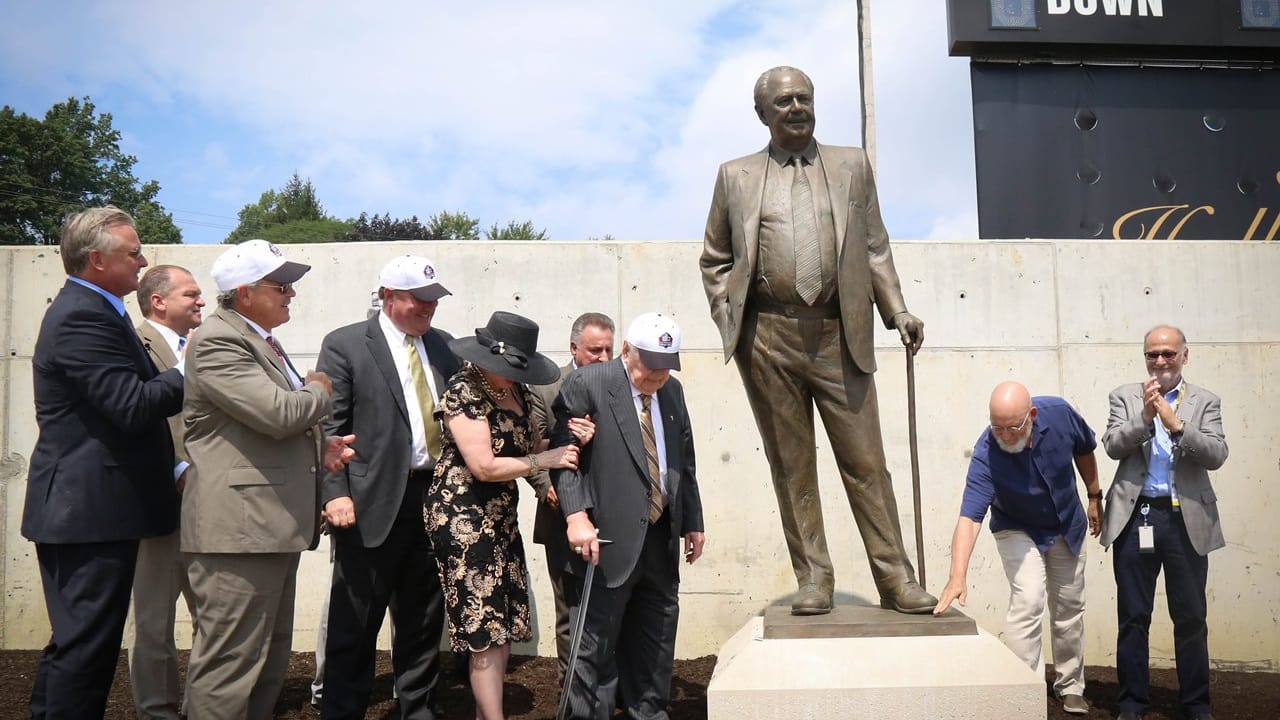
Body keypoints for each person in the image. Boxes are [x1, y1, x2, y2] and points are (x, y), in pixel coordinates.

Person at [700, 65, 932, 615]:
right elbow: (715, 259)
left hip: (839, 334)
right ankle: (814, 579)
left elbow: (875, 247)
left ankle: (897, 580)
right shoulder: (735, 175)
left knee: (867, 463)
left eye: (804, 98)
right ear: (762, 113)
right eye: (783, 102)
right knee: (792, 465)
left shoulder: (851, 165)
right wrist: (730, 319)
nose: (797, 107)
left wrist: (896, 311)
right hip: (769, 338)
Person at [180, 239, 355, 720]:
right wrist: (319, 387)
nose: (291, 294)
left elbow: (255, 430)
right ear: (244, 292)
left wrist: (322, 447)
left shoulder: (257, 341)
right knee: (230, 667)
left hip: (265, 530)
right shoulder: (220, 339)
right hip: (238, 534)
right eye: (281, 286)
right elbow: (280, 414)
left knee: (266, 663)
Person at [21, 207, 185, 718]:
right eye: (133, 252)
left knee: (77, 644)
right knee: (86, 651)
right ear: (96, 260)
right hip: (87, 514)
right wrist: (191, 368)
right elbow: (131, 406)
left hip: (93, 510)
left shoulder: (98, 309)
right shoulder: (81, 315)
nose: (143, 260)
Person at [314, 256, 460, 719]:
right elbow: (329, 428)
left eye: (434, 299)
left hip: (434, 500)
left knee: (422, 619)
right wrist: (334, 492)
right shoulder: (346, 345)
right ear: (389, 296)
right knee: (354, 623)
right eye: (420, 299)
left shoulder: (444, 347)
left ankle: (417, 711)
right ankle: (342, 711)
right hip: (369, 503)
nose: (429, 309)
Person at [425, 311, 581, 720]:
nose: (509, 376)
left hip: (500, 516)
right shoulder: (463, 391)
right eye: (505, 369)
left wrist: (574, 438)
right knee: (483, 626)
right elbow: (484, 466)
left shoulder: (522, 393)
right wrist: (542, 459)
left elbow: (536, 443)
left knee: (504, 622)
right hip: (463, 518)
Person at [553, 312, 706, 720]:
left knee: (655, 642)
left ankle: (650, 712)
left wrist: (692, 520)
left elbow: (682, 461)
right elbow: (564, 460)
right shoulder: (589, 384)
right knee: (595, 649)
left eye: (665, 368)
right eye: (650, 367)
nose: (658, 377)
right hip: (605, 540)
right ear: (626, 351)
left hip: (659, 539)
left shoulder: (672, 393)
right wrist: (575, 516)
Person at [933, 382, 1101, 716]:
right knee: (1028, 600)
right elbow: (969, 517)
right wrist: (957, 575)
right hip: (1017, 527)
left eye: (1013, 427)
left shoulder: (1060, 414)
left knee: (1069, 606)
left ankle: (1070, 686)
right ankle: (1025, 689)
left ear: (1032, 416)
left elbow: (1084, 448)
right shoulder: (986, 454)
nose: (1005, 436)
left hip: (1066, 522)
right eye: (997, 427)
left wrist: (1094, 496)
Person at [1100, 326, 1227, 720]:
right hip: (1137, 516)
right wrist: (1146, 417)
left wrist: (1176, 424)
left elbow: (1217, 454)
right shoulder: (1125, 396)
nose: (1159, 361)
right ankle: (1132, 703)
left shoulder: (1205, 401)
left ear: (1184, 356)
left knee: (1191, 617)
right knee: (1134, 616)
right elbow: (1112, 445)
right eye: (1152, 354)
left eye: (1168, 354)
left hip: (1185, 519)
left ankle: (1195, 704)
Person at [130, 265, 206, 719]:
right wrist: (176, 466)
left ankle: (205, 706)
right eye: (191, 294)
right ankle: (156, 710)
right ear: (158, 301)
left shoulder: (211, 345)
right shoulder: (131, 344)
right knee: (154, 622)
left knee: (214, 620)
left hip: (211, 506)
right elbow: (134, 414)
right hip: (158, 505)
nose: (201, 301)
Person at [529, 311, 615, 676]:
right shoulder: (547, 387)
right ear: (574, 348)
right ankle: (571, 688)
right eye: (596, 350)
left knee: (612, 607)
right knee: (570, 610)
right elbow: (529, 446)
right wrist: (548, 488)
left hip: (612, 514)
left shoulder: (621, 385)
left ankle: (613, 690)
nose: (604, 358)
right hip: (560, 514)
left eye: (610, 349)